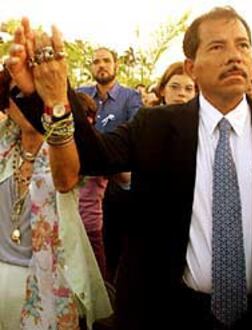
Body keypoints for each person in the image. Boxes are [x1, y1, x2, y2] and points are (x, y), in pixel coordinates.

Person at [7, 8, 252, 330]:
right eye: (217, 46)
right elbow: (92, 157)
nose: (234, 55)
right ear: (192, 64)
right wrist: (40, 93)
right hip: (169, 315)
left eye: (242, 45)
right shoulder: (155, 127)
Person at [0, 68, 112, 329]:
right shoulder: (3, 148)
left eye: (38, 94)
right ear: (5, 102)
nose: (28, 102)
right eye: (18, 94)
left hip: (47, 286)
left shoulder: (65, 149)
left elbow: (66, 180)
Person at [78, 47, 142, 283]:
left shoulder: (131, 97)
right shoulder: (80, 94)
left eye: (106, 60)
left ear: (116, 66)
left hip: (118, 180)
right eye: (96, 61)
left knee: (112, 241)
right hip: (83, 181)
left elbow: (136, 136)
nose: (101, 65)